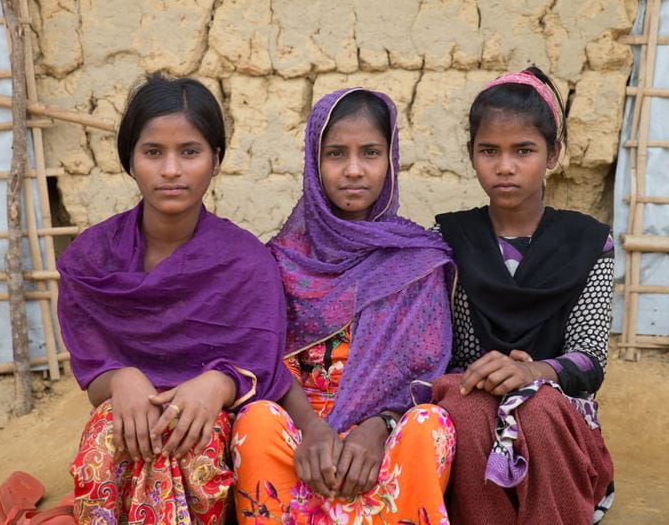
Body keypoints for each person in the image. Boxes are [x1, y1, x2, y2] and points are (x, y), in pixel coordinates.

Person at [57, 74, 292, 525]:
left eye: (189, 152)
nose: (171, 170)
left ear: (216, 160)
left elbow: (259, 366)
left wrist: (217, 384)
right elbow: (94, 372)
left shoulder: (246, 262)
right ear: (129, 159)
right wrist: (122, 379)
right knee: (108, 435)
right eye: (153, 152)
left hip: (211, 419)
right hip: (126, 413)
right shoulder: (90, 260)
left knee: (194, 446)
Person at [231, 88, 457, 524]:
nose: (354, 170)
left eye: (370, 152)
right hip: (299, 431)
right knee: (256, 421)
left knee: (431, 424)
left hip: (380, 439)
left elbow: (427, 374)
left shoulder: (418, 260)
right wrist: (313, 430)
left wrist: (380, 426)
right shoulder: (278, 262)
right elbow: (263, 362)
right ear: (314, 166)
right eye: (336, 154)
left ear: (390, 161)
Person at [432, 67, 616, 524]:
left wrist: (531, 370)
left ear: (553, 154)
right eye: (489, 150)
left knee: (539, 405)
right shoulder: (447, 239)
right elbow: (435, 348)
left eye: (524, 150)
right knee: (462, 402)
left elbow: (590, 361)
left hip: (555, 413)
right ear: (472, 154)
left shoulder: (590, 242)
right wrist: (486, 374)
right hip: (471, 392)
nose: (505, 166)